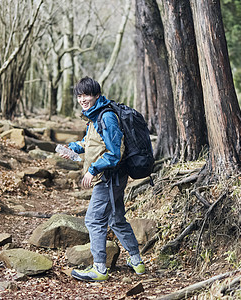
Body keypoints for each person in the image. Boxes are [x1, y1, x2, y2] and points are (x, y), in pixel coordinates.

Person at [58, 76, 145, 282]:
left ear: (97, 95)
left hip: (109, 177)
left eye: (86, 95)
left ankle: (99, 269)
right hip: (109, 177)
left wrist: (92, 170)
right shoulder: (94, 116)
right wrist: (72, 148)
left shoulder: (107, 117)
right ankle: (137, 261)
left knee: (94, 219)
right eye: (79, 95)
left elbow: (114, 153)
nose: (82, 99)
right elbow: (90, 143)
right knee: (115, 219)